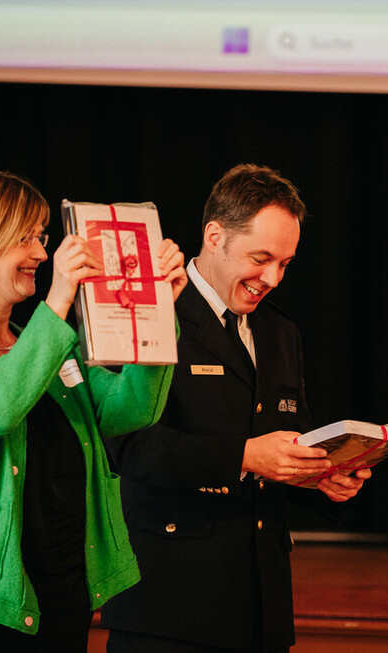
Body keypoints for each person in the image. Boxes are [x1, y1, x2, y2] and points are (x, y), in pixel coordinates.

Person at [0, 171, 188, 652]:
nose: (42, 254)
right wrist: (60, 299)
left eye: (41, 237)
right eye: (25, 238)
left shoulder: (43, 345)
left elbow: (128, 411)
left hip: (57, 593)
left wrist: (158, 311)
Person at [101, 163, 370, 652]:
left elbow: (291, 436)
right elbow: (127, 447)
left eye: (285, 263)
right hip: (168, 607)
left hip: (260, 607)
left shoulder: (279, 331)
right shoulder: (147, 309)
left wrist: (322, 476)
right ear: (214, 235)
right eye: (261, 257)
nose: (272, 277)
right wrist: (243, 457)